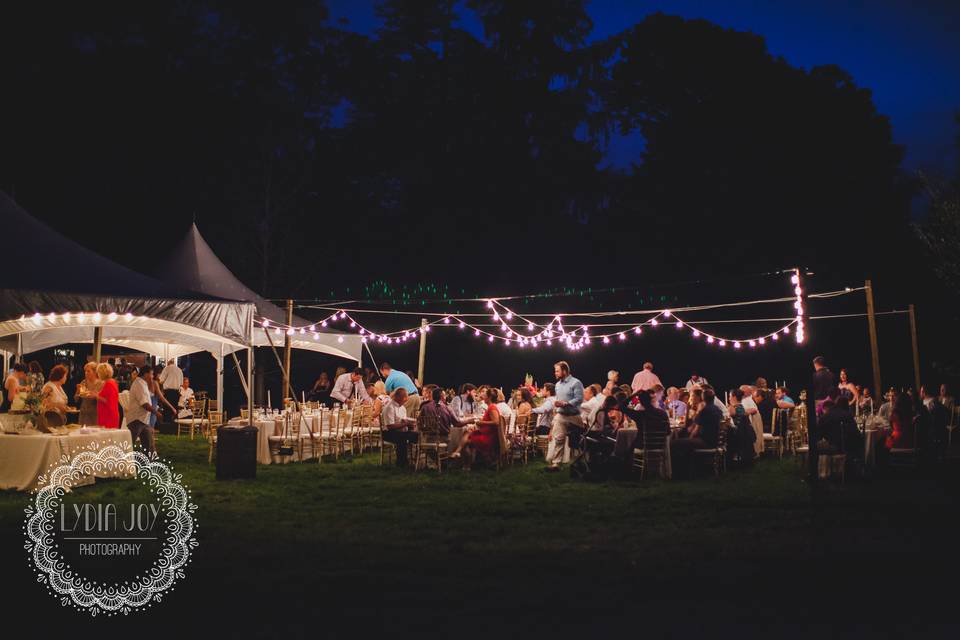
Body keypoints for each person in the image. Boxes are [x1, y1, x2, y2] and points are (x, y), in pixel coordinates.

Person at [546, 361, 584, 472]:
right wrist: (557, 404)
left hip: (574, 416)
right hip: (561, 415)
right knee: (558, 439)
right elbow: (558, 399)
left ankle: (578, 463)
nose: (555, 373)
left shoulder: (576, 383)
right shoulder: (557, 385)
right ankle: (556, 464)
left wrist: (566, 403)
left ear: (565, 371)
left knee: (577, 442)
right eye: (555, 371)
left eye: (557, 371)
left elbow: (579, 399)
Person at [452, 387, 501, 469]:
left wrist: (480, 422)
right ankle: (461, 456)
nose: (483, 398)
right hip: (486, 433)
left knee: (466, 442)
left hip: (488, 437)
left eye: (485, 396)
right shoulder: (490, 407)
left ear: (489, 398)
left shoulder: (492, 407)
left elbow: (496, 422)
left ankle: (466, 464)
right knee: (468, 432)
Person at [420, 387, 476, 452]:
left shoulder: (424, 407)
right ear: (442, 397)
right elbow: (457, 423)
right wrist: (470, 421)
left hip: (426, 438)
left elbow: (420, 422)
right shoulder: (447, 408)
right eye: (445, 395)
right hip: (442, 439)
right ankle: (453, 455)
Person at [127, 364, 159, 454]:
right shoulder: (139, 384)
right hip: (136, 420)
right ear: (145, 374)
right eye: (151, 374)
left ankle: (148, 463)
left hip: (143, 420)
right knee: (129, 445)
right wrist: (156, 413)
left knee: (148, 445)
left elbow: (149, 397)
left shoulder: (143, 383)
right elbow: (144, 404)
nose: (152, 376)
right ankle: (124, 463)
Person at [157, 358, 183, 424]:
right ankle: (174, 425)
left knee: (167, 409)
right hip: (176, 392)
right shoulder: (179, 370)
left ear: (168, 362)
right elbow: (181, 383)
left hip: (168, 392)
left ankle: (167, 425)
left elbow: (161, 381)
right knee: (174, 409)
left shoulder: (167, 368)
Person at [95, 363, 120, 429]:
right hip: (107, 414)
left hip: (108, 415)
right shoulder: (111, 382)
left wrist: (97, 396)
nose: (97, 374)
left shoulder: (109, 384)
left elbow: (109, 401)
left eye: (98, 372)